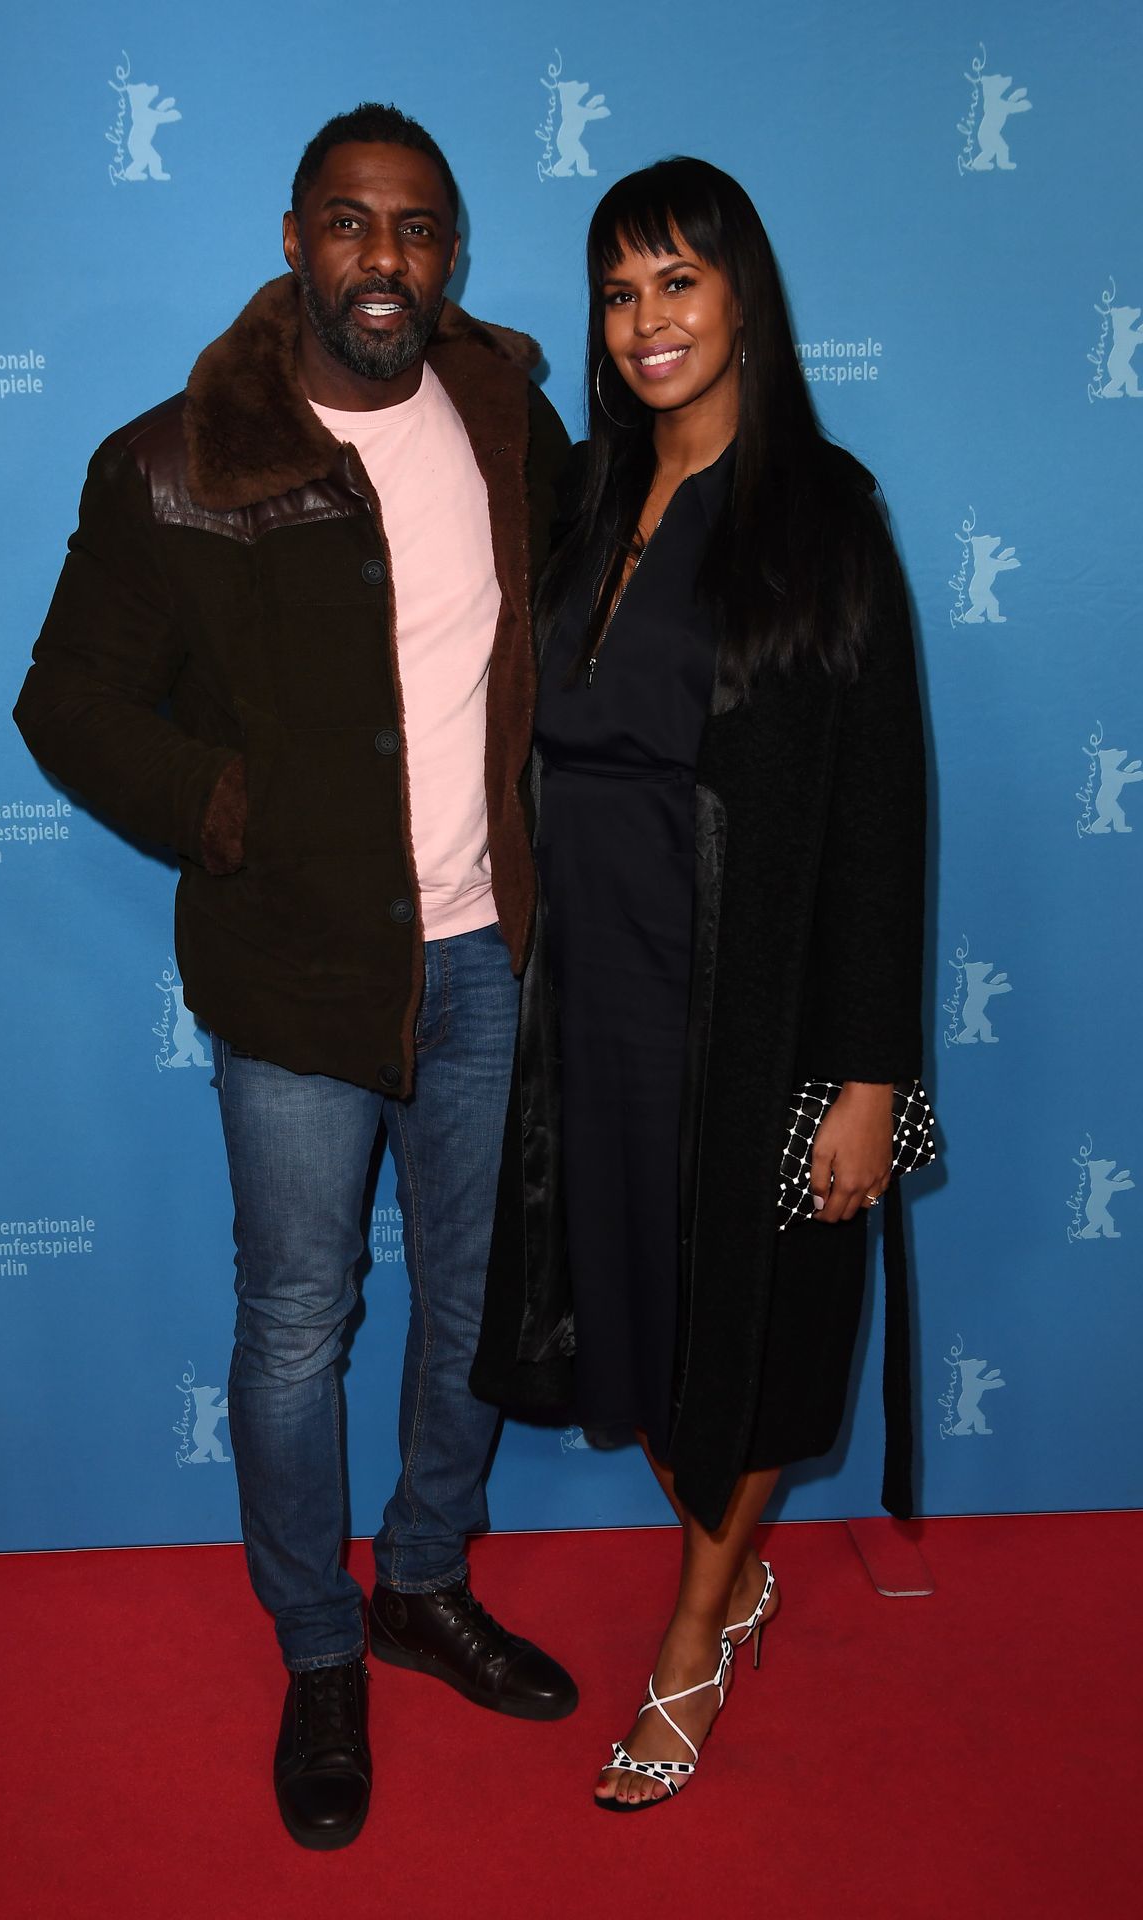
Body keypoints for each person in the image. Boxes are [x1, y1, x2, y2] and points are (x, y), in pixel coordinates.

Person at [15, 102, 577, 1852]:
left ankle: (420, 1582)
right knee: (295, 1328)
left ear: (450, 254)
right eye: (351, 224)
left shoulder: (505, 417)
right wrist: (226, 810)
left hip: (488, 953)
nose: (385, 261)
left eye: (418, 230)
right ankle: (318, 1645)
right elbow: (68, 700)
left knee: (472, 1306)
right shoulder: (178, 458)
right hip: (294, 975)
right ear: (292, 238)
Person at [472, 157, 926, 1809]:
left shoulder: (822, 513)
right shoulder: (587, 494)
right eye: (619, 289)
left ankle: (692, 1633)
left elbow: (882, 808)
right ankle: (733, 1562)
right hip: (587, 1007)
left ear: (742, 296)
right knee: (644, 1319)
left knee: (744, 1327)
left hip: (751, 1014)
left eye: (680, 280)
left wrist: (872, 1073)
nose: (649, 320)